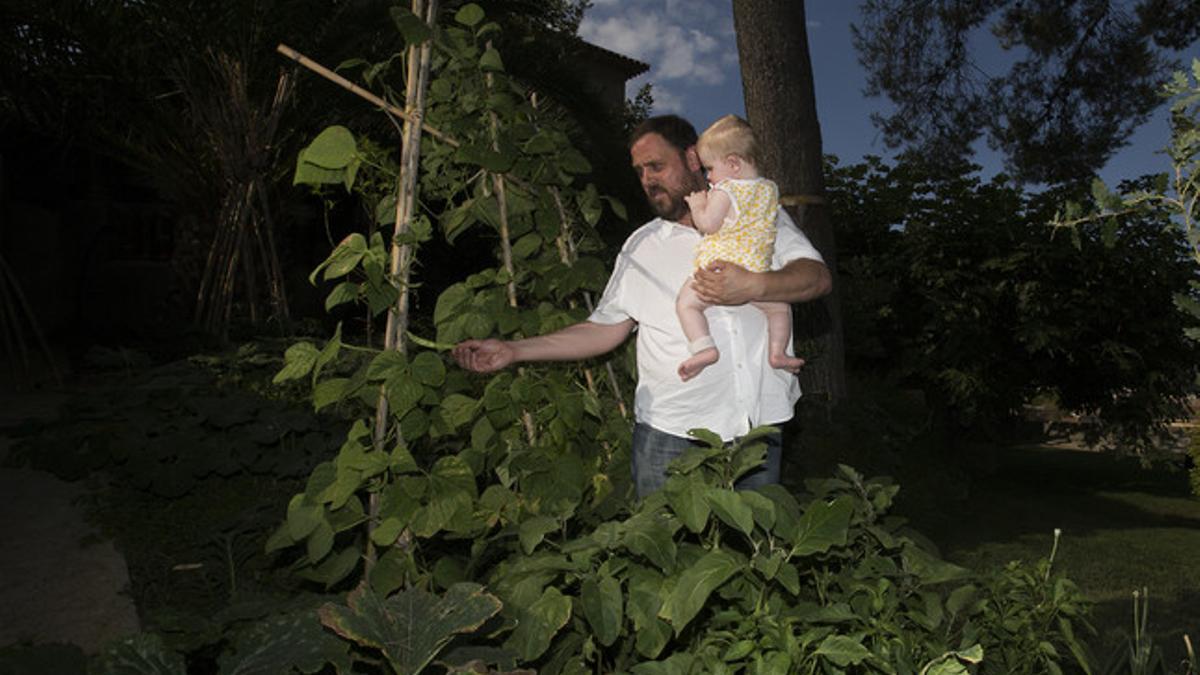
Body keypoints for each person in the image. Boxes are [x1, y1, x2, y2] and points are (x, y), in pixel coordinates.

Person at [452, 115, 831, 497]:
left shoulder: (758, 215)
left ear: (693, 158)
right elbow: (603, 329)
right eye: (640, 172)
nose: (648, 180)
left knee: (755, 549)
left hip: (759, 428)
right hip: (672, 438)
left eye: (657, 166)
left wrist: (756, 284)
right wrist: (514, 350)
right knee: (667, 551)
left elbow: (816, 277)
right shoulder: (641, 247)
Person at [676, 114, 805, 382]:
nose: (708, 177)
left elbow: (709, 225)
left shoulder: (726, 190)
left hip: (718, 270)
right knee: (780, 308)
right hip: (756, 272)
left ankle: (704, 348)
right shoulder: (770, 190)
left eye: (710, 168)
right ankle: (778, 352)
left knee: (687, 304)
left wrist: (698, 205)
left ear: (733, 164)